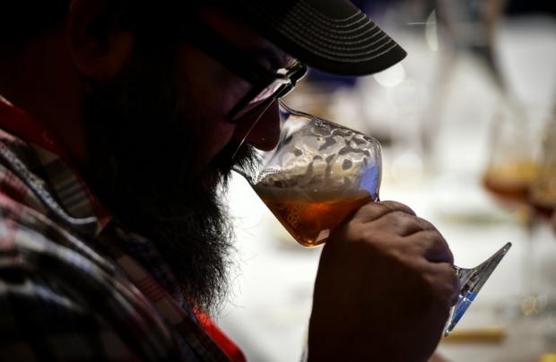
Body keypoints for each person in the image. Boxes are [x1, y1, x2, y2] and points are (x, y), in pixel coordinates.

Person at [0, 0, 458, 361]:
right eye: (255, 75)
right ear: (97, 32)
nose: (266, 134)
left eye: (281, 81)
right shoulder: (34, 294)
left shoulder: (97, 199)